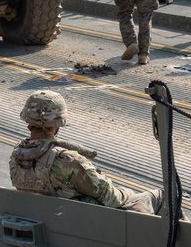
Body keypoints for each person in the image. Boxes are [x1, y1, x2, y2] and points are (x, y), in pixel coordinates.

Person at [9, 90, 162, 214]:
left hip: (50, 219)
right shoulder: (70, 162)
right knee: (163, 197)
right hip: (88, 224)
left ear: (28, 122)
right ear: (58, 123)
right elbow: (112, 199)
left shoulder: (17, 157)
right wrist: (128, 192)